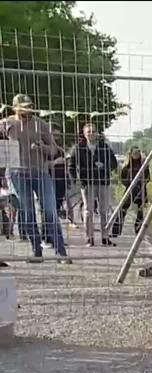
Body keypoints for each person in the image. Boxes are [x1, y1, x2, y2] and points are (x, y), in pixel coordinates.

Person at [0, 94, 68, 261]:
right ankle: (36, 251)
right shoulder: (5, 124)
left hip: (40, 172)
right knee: (28, 212)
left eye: (30, 106)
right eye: (24, 107)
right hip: (17, 173)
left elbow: (53, 150)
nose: (28, 109)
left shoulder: (41, 124)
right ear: (15, 107)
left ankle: (61, 252)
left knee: (50, 211)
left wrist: (41, 146)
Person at [68, 122, 118, 247]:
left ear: (97, 133)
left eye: (93, 131)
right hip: (87, 183)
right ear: (84, 133)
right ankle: (89, 238)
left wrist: (104, 166)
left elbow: (114, 164)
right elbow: (71, 166)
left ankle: (105, 237)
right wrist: (76, 181)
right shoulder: (78, 148)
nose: (91, 133)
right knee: (88, 210)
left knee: (104, 211)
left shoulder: (104, 147)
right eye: (88, 131)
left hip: (103, 182)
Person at [111, 146, 150, 237]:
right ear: (131, 154)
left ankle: (139, 232)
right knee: (122, 211)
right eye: (134, 153)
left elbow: (148, 178)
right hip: (129, 190)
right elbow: (122, 179)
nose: (136, 155)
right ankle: (115, 231)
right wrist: (130, 184)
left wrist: (141, 183)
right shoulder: (126, 166)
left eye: (138, 152)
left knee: (140, 212)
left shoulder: (144, 165)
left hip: (141, 190)